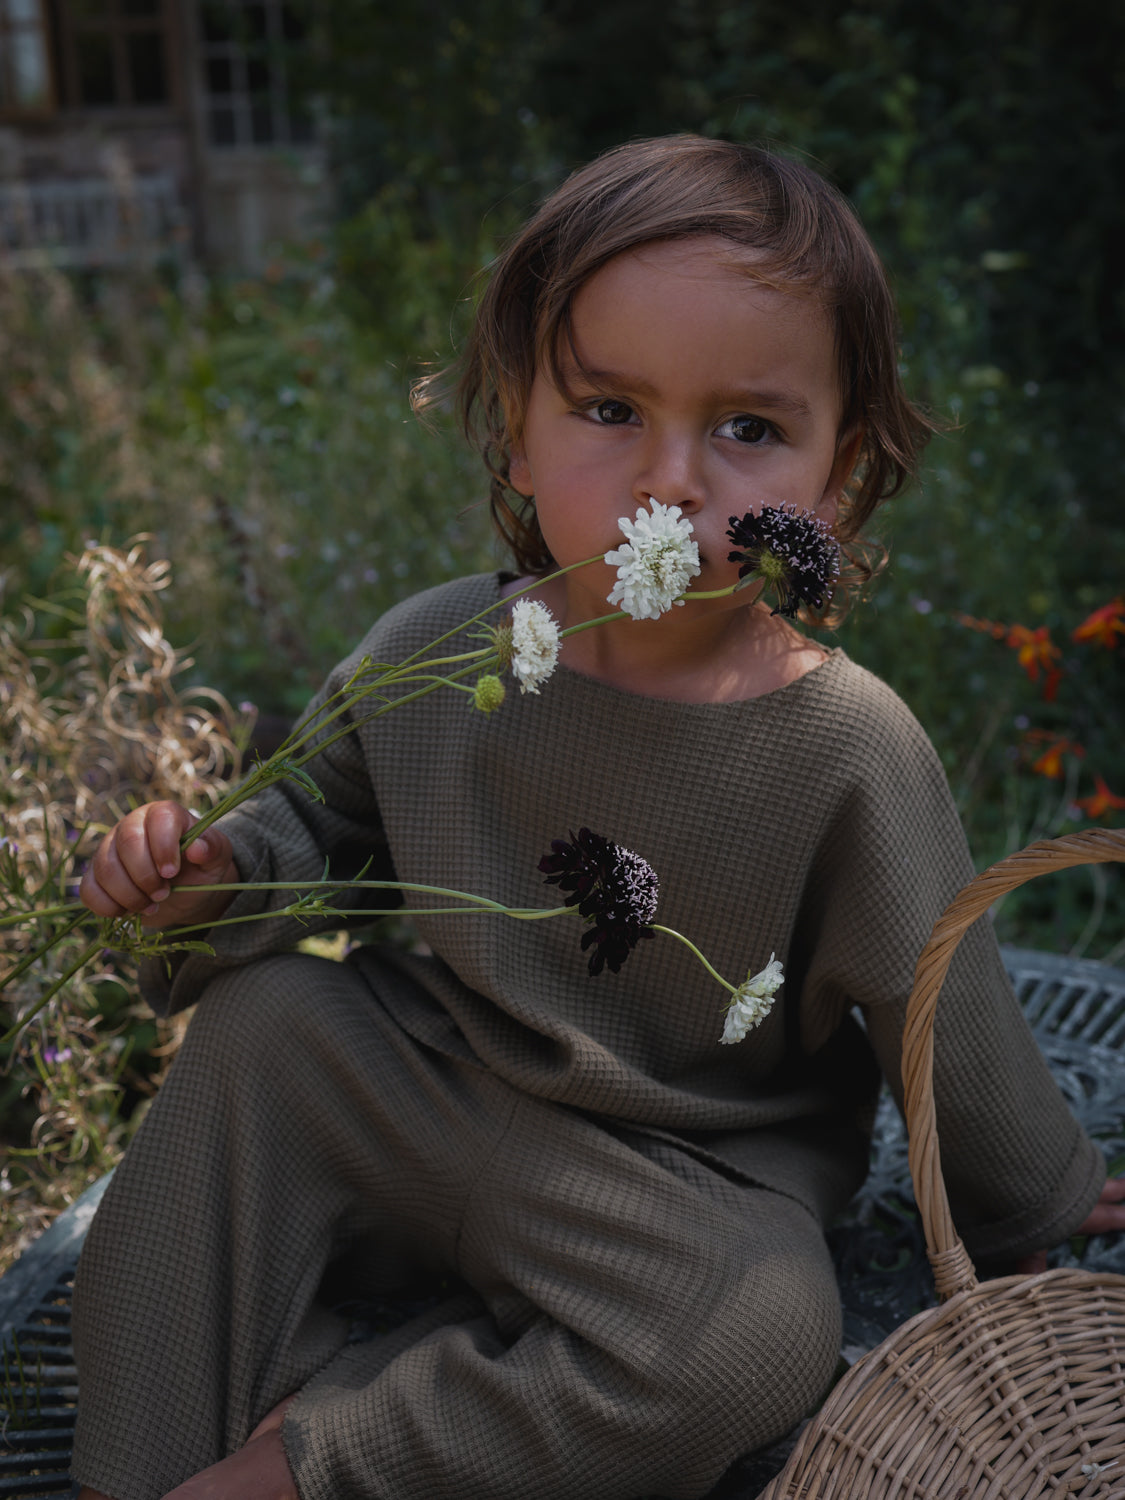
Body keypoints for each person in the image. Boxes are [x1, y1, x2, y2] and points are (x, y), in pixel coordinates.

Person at [71, 136, 1125, 1500]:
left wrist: (1030, 1190)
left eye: (748, 430)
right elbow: (313, 820)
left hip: (679, 1183)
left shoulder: (843, 745)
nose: (669, 481)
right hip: (424, 1082)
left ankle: (313, 1456)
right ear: (515, 424)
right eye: (610, 408)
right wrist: (210, 878)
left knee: (761, 1335)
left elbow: (941, 996)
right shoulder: (439, 653)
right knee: (263, 1025)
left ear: (837, 478)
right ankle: (135, 1467)